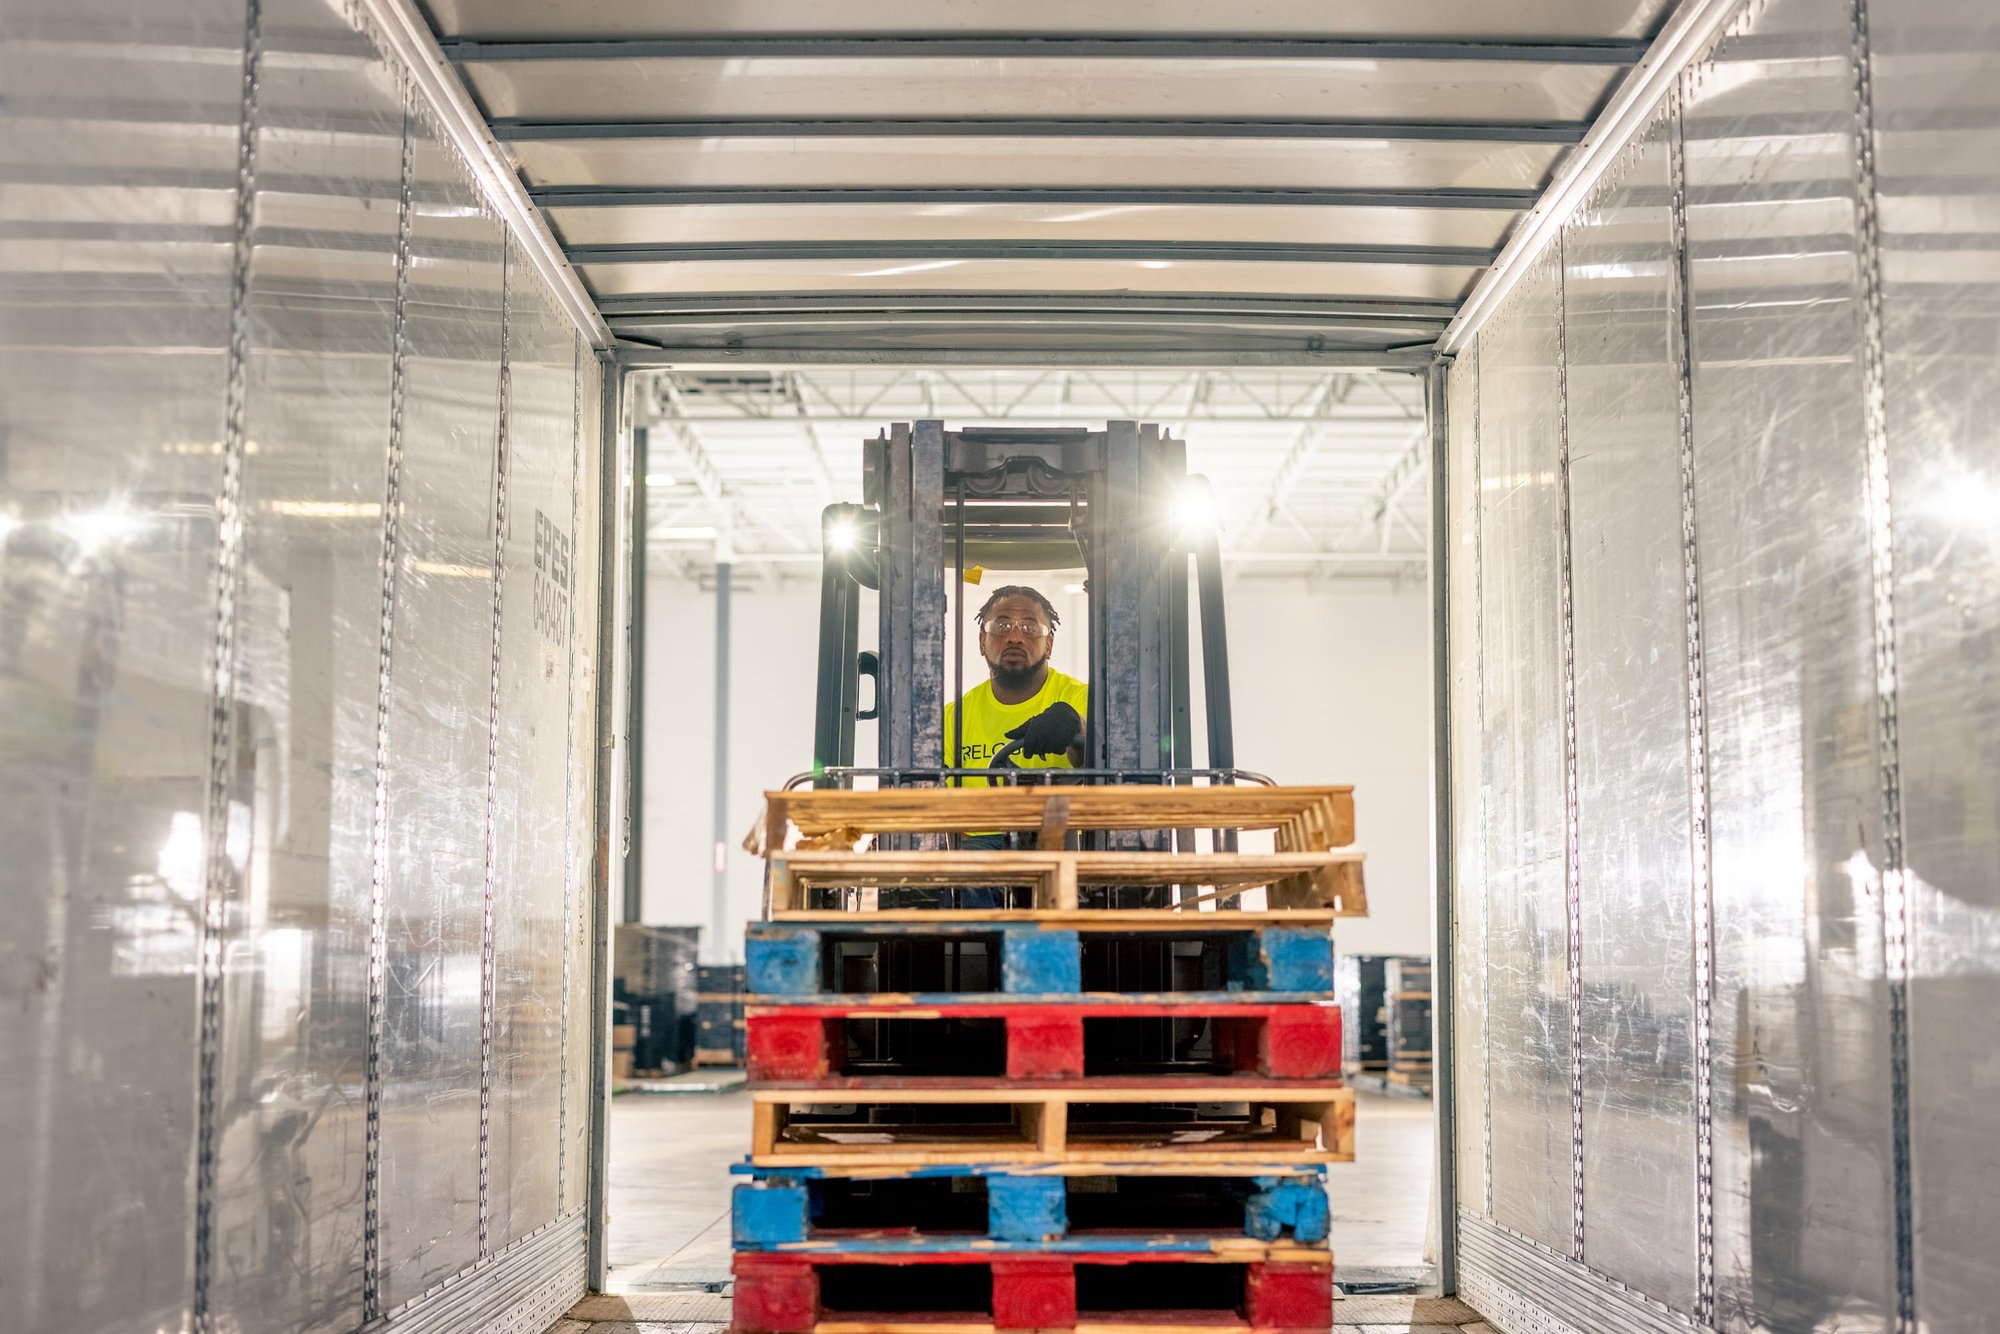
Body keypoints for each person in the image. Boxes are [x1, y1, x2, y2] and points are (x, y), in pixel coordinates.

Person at [945, 585, 1087, 792]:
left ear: (1049, 645)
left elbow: (1107, 751)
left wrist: (1078, 727)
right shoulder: (952, 720)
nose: (1015, 638)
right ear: (982, 641)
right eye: (1002, 626)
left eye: (1030, 628)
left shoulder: (1084, 698)